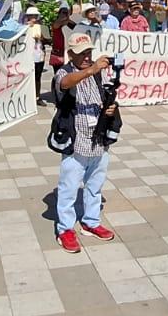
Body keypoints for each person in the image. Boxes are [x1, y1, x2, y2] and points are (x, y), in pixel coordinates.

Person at [51, 32, 120, 254]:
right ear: (71, 54)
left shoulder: (97, 74)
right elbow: (64, 84)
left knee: (95, 185)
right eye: (82, 53)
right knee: (69, 187)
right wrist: (91, 70)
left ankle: (91, 221)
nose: (87, 57)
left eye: (89, 52)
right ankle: (65, 229)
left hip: (98, 139)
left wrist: (110, 109)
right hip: (75, 140)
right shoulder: (65, 72)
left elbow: (103, 97)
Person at [24, 7, 49, 105]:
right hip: (27, 56)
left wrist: (42, 38)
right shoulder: (23, 26)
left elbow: (48, 40)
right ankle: (28, 96)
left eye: (34, 15)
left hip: (39, 55)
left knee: (37, 77)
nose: (33, 17)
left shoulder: (41, 26)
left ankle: (37, 97)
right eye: (31, 15)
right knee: (28, 77)